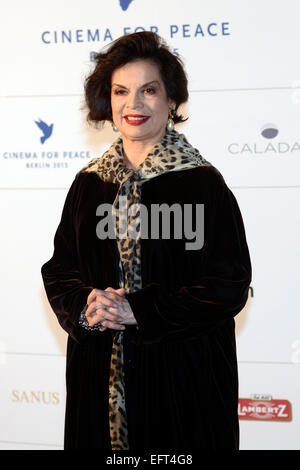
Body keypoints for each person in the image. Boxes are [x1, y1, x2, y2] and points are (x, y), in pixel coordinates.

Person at [41, 31, 252, 451]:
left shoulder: (202, 183)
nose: (133, 104)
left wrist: (139, 309)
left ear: (171, 100)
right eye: (121, 91)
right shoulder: (88, 183)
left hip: (183, 382)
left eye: (148, 90)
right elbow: (59, 269)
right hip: (97, 379)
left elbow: (228, 286)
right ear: (108, 101)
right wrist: (89, 305)